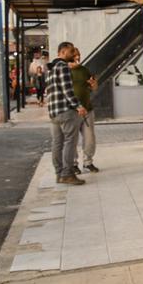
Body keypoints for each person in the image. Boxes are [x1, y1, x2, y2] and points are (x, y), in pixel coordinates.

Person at [46, 42, 87, 186]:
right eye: (70, 51)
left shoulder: (51, 69)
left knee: (57, 143)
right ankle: (68, 174)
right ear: (62, 52)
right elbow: (67, 90)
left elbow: (50, 91)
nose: (73, 54)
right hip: (65, 111)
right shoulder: (63, 67)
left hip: (54, 112)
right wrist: (78, 106)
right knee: (70, 142)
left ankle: (59, 174)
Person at [69, 47, 99, 173]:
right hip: (72, 111)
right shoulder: (64, 71)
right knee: (72, 139)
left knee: (90, 137)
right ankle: (73, 164)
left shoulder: (84, 70)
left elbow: (94, 87)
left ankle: (88, 162)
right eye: (75, 56)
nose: (77, 58)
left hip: (87, 109)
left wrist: (94, 84)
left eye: (79, 55)